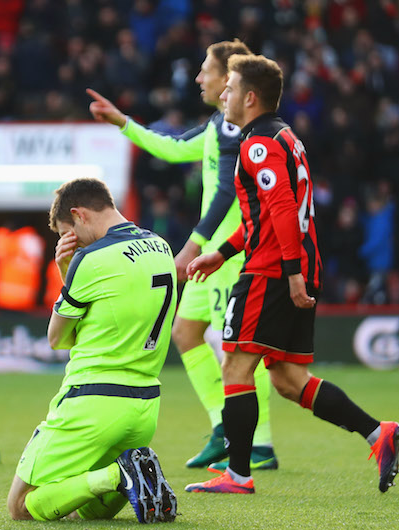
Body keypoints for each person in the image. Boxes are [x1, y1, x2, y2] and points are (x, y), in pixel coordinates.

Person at [185, 54, 399, 495]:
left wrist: (290, 273)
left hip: (272, 271)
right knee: (287, 379)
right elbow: (266, 217)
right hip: (290, 264)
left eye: (229, 89)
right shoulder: (284, 136)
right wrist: (222, 252)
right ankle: (378, 433)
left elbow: (283, 208)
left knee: (235, 364)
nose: (222, 96)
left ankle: (239, 475)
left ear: (250, 97)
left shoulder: (257, 145)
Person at [87, 39, 279, 472]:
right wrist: (124, 123)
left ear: (228, 76)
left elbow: (229, 190)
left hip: (231, 252)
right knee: (187, 333)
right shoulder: (218, 125)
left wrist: (193, 243)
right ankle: (224, 427)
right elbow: (173, 147)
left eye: (205, 71)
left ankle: (260, 442)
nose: (198, 78)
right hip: (217, 251)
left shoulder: (236, 128)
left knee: (238, 347)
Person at [7, 178, 178, 523]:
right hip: (144, 410)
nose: (67, 243)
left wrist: (64, 270)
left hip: (92, 402)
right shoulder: (161, 246)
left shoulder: (91, 258)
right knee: (85, 510)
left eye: (65, 233)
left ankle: (120, 475)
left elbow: (57, 338)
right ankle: (128, 474)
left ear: (79, 215)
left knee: (21, 505)